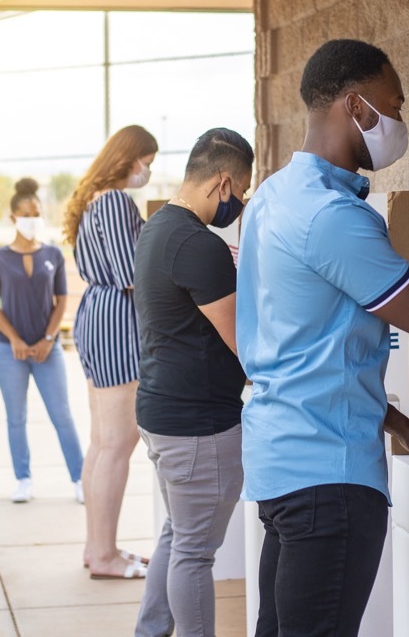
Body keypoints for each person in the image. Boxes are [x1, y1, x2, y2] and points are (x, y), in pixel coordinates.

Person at [236, 38, 409, 637]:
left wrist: (406, 428)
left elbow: (313, 355)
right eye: (394, 105)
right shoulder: (332, 218)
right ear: (356, 107)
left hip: (282, 467)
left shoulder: (273, 198)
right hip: (327, 483)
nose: (400, 122)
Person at [132, 128, 254, 637]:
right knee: (194, 553)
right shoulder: (199, 245)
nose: (240, 203)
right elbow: (245, 344)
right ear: (222, 182)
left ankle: (151, 631)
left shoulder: (157, 228)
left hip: (162, 414)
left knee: (178, 535)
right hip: (199, 426)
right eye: (241, 191)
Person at [62, 124, 159, 581]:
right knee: (119, 443)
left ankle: (98, 547)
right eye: (148, 162)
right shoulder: (117, 201)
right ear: (129, 158)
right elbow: (131, 274)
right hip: (118, 320)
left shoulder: (91, 202)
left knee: (103, 442)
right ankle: (104, 555)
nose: (148, 171)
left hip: (97, 316)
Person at [0, 178, 84, 505]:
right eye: (26, 214)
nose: (33, 219)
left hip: (47, 350)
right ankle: (23, 479)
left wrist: (47, 339)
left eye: (37, 213)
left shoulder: (53, 254)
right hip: (7, 352)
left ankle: (80, 479)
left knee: (62, 415)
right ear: (13, 218)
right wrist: (13, 339)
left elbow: (61, 301)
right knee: (16, 417)